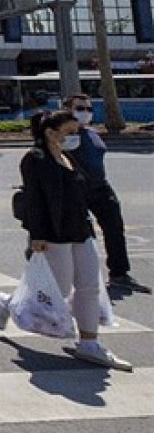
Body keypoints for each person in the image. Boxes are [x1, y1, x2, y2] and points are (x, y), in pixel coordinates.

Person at [0, 110, 131, 370]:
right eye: (69, 132)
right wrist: (37, 235)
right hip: (54, 234)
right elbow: (35, 200)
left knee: (89, 285)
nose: (75, 137)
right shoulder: (35, 159)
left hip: (80, 229)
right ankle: (10, 303)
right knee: (59, 288)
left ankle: (89, 343)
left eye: (76, 132)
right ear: (50, 133)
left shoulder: (69, 158)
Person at [64, 94, 148, 292]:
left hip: (101, 187)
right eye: (80, 108)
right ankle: (78, 278)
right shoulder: (64, 136)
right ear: (67, 109)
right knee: (80, 235)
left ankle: (119, 274)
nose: (85, 113)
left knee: (114, 228)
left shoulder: (93, 133)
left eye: (88, 109)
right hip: (76, 190)